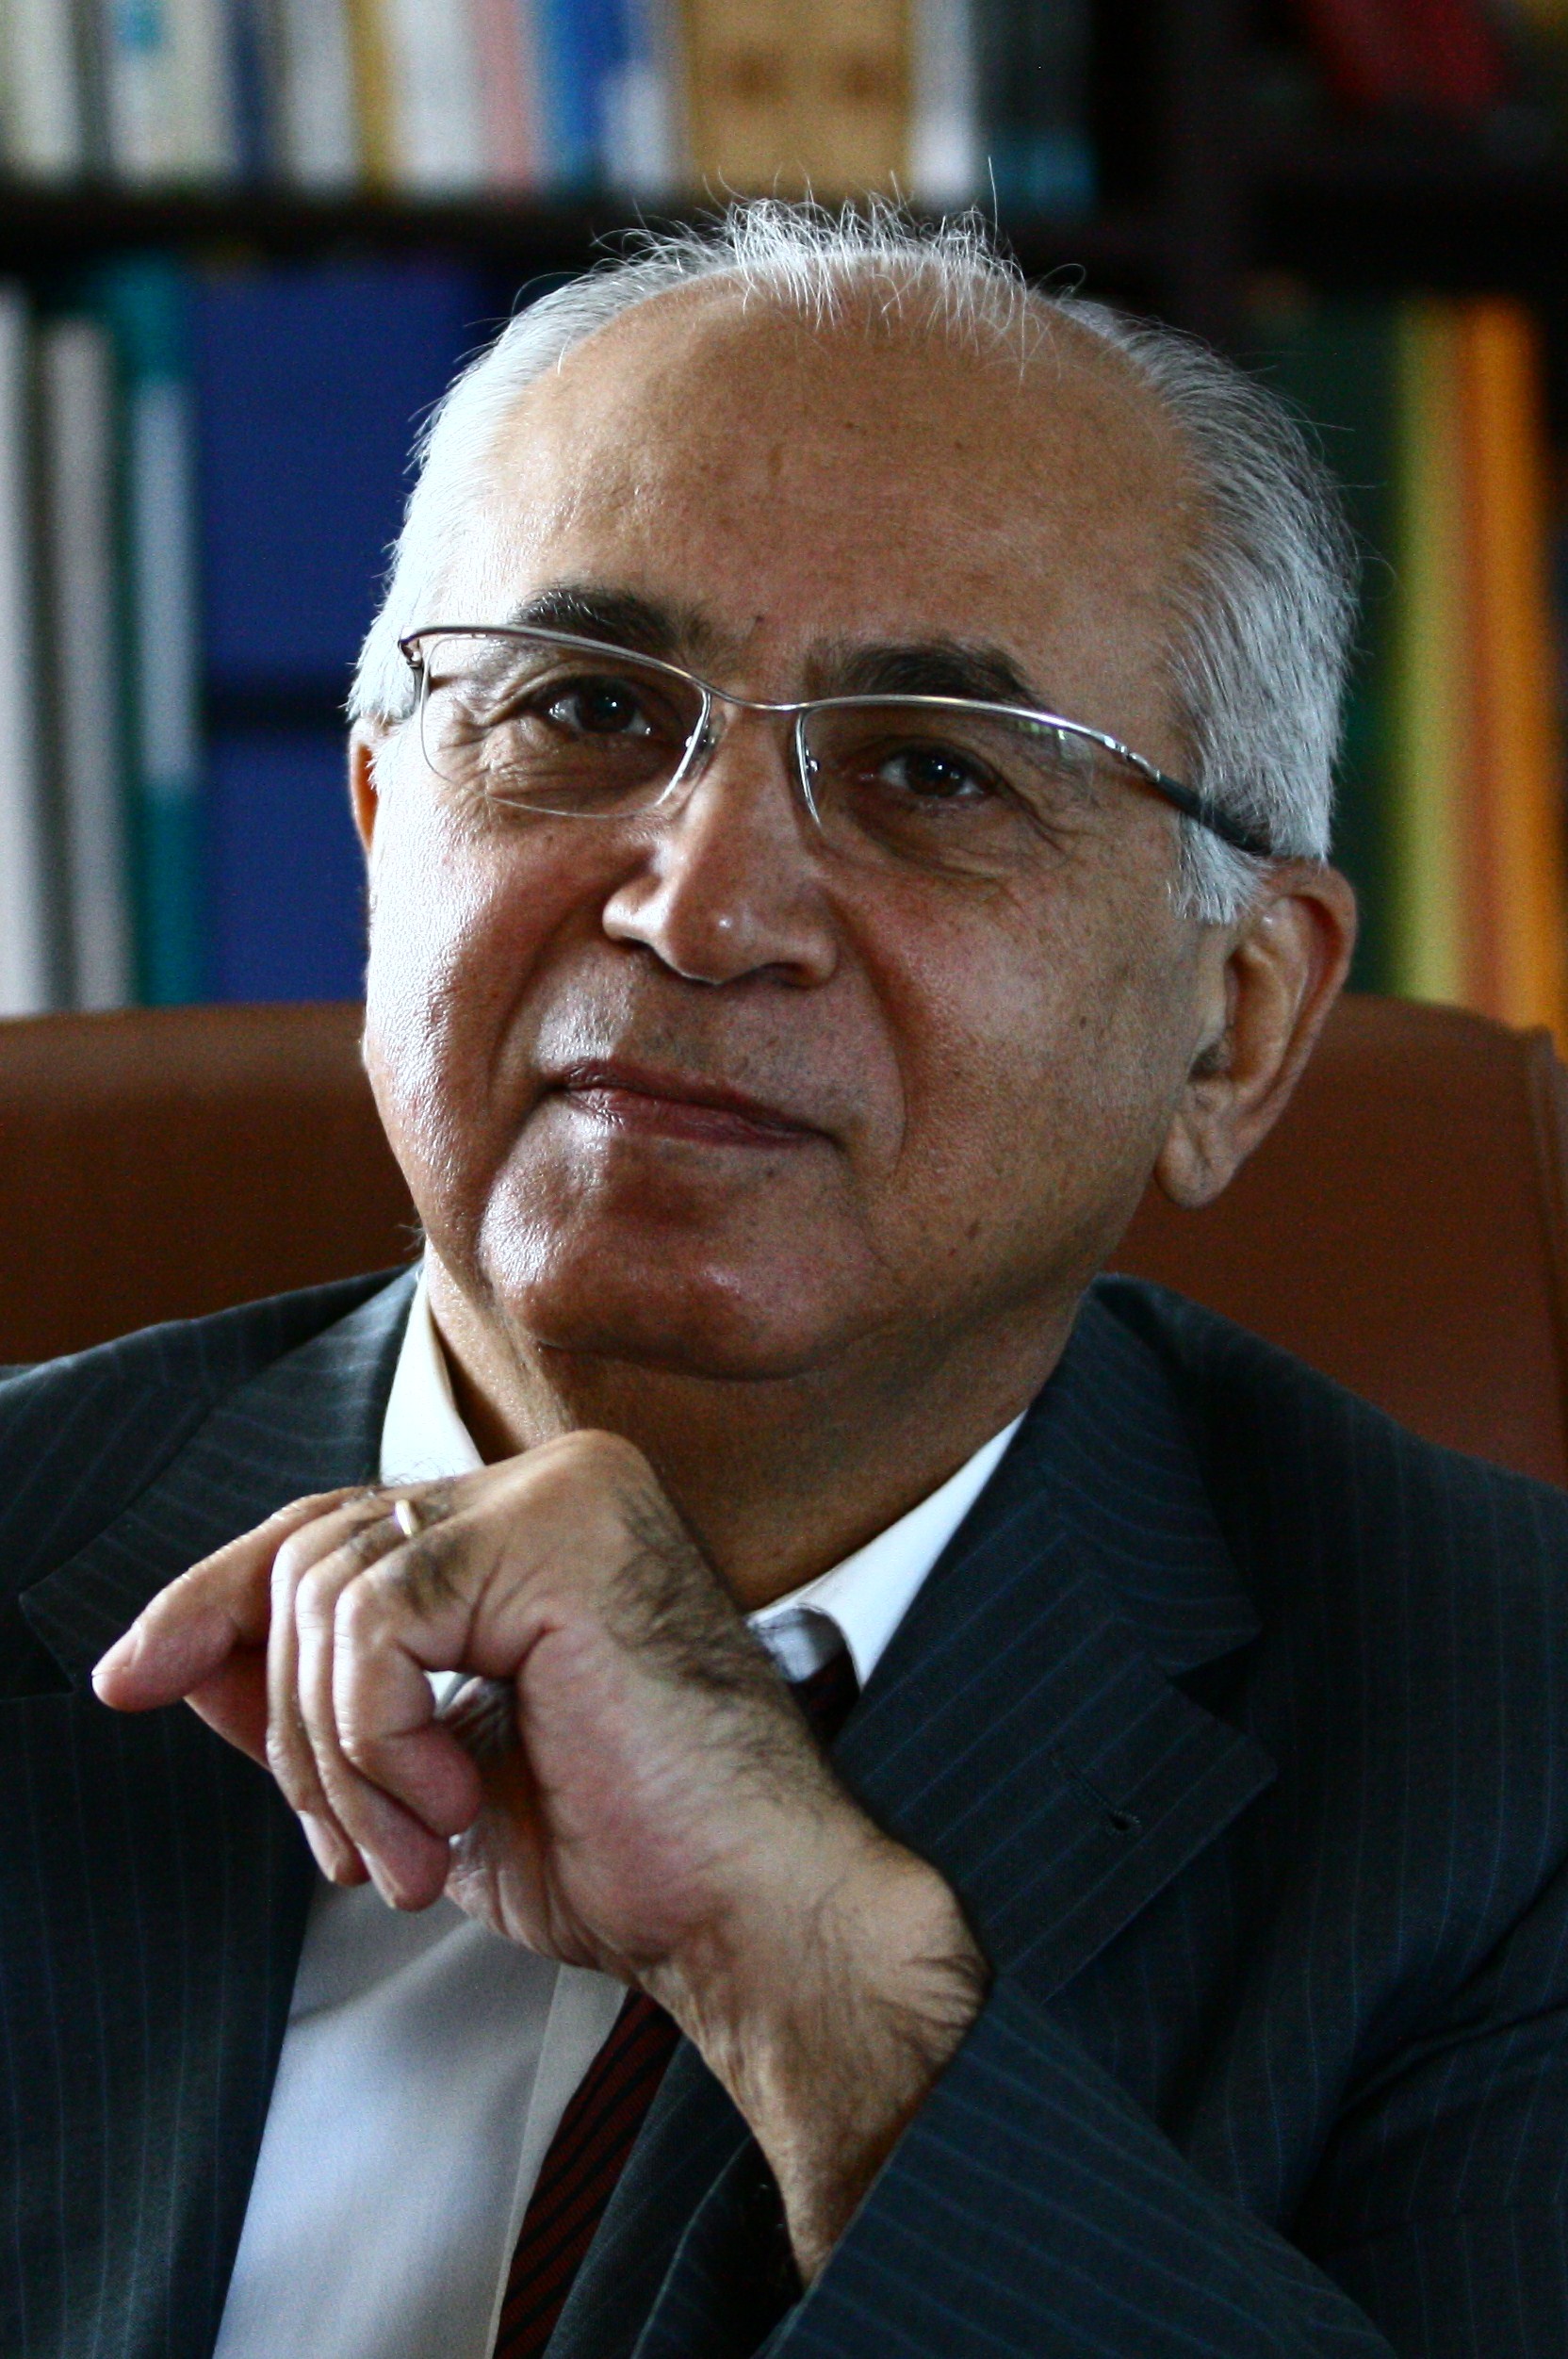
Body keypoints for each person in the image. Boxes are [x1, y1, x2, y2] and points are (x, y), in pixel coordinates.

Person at [5, 203, 1567, 2359]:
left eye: (930, 768)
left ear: (1232, 1023)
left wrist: (814, 1975)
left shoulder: (1509, 1757)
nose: (703, 904)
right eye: (579, 707)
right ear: (379, 834)